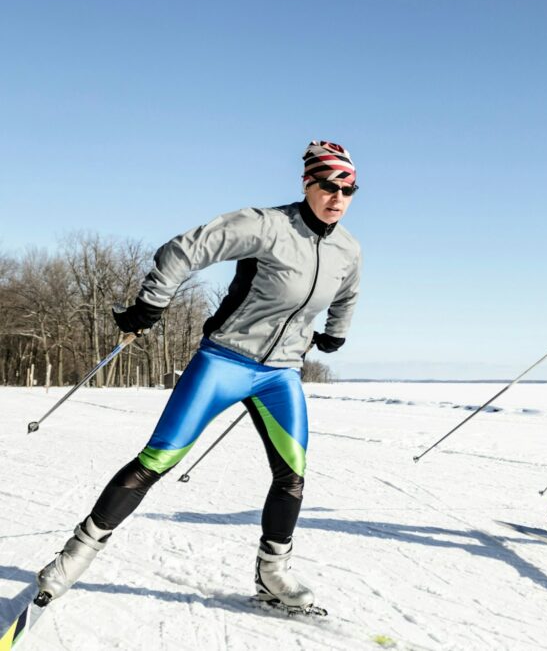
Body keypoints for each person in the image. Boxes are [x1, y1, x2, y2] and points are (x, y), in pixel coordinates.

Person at [36, 140, 362, 611]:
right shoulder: (266, 225)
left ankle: (273, 576)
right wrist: (153, 301)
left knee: (292, 477)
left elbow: (348, 293)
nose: (338, 198)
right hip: (225, 362)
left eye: (348, 190)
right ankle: (73, 557)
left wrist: (336, 333)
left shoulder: (348, 249)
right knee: (155, 462)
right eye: (329, 186)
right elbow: (184, 249)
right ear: (307, 183)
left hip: (281, 375)